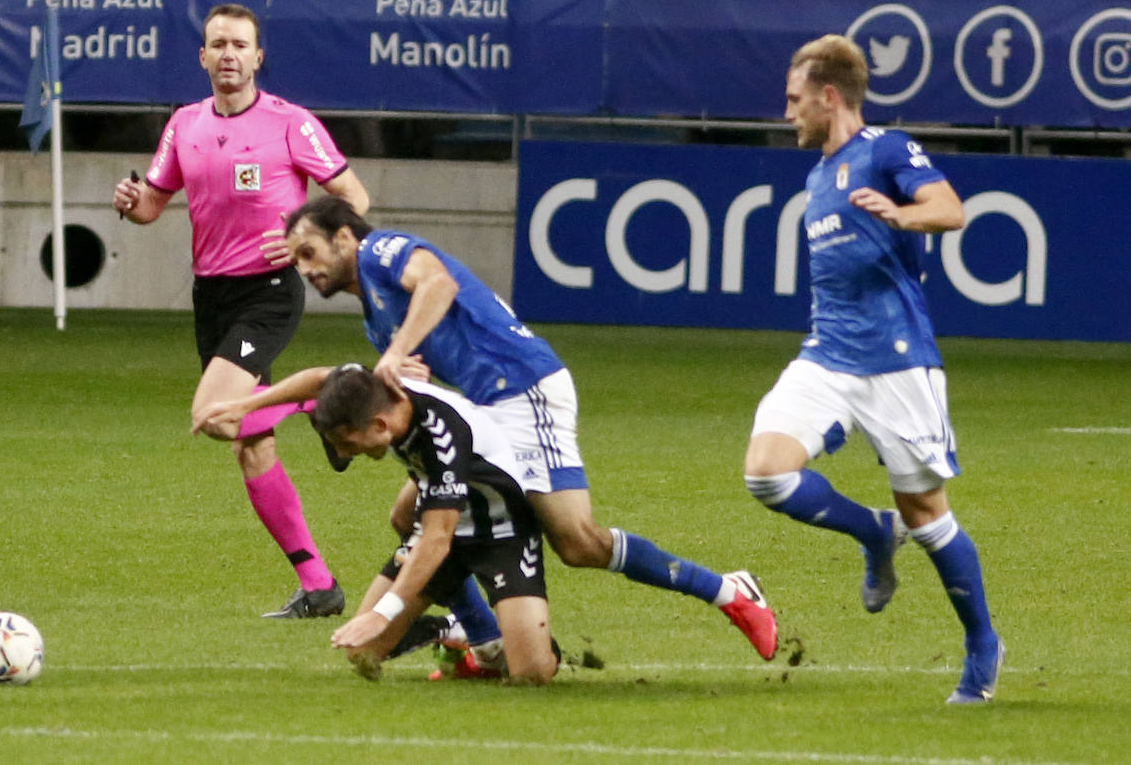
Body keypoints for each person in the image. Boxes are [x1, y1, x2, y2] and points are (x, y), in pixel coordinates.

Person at [196, 195, 779, 663]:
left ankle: (729, 591)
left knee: (577, 542)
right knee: (407, 516)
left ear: (344, 237)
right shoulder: (375, 308)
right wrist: (246, 405)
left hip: (525, 392)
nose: (305, 268)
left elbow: (440, 283)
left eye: (309, 253)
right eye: (296, 261)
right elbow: (339, 376)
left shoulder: (382, 251)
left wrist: (400, 351)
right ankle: (480, 635)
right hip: (483, 412)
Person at [743, 34, 1002, 703]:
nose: (786, 113)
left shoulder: (886, 150)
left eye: (795, 100)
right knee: (766, 472)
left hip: (895, 361)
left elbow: (951, 209)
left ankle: (981, 644)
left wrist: (903, 213)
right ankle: (871, 532)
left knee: (927, 512)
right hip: (827, 355)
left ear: (830, 97)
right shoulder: (815, 175)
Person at [113, 3, 370, 619]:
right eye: (217, 44)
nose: (228, 54)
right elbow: (152, 206)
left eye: (240, 45)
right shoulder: (184, 124)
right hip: (212, 295)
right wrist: (129, 202)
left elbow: (352, 197)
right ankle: (319, 586)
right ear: (202, 57)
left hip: (270, 289)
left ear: (258, 58)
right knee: (250, 445)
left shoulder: (290, 123)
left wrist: (306, 241)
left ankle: (335, 396)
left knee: (216, 415)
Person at [289, 363, 560, 685]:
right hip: (444, 527)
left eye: (347, 443)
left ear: (378, 424)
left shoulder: (441, 436)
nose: (345, 453)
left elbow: (436, 539)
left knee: (530, 673)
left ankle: (515, 638)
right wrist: (243, 406)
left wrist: (383, 612)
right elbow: (320, 380)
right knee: (360, 649)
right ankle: (454, 628)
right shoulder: (379, 392)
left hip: (502, 532)